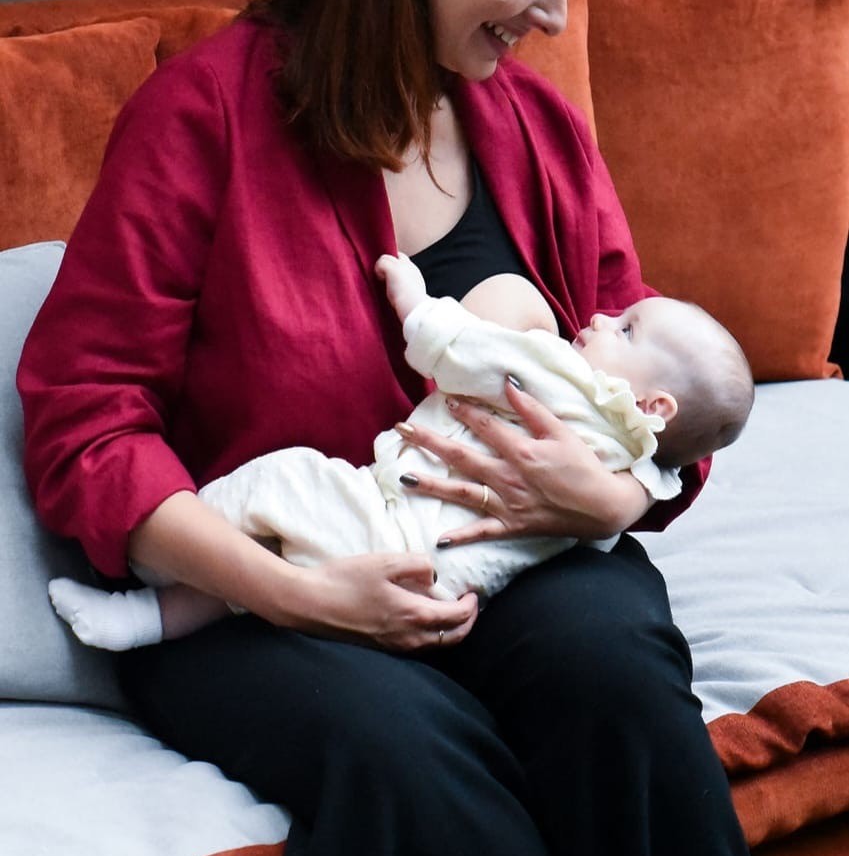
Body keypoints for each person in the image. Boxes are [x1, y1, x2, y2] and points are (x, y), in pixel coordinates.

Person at [18, 0, 753, 856]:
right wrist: (294, 592)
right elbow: (87, 415)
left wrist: (603, 496)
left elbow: (650, 370)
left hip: (519, 558)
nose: (554, 20)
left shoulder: (538, 129)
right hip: (260, 583)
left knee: (622, 695)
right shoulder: (202, 115)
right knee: (414, 767)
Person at [47, 253, 754, 651]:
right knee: (286, 560)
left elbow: (462, 351)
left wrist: (414, 297)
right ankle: (158, 605)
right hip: (450, 585)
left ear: (654, 407)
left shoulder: (563, 377)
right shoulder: (638, 455)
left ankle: (152, 578)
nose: (600, 315)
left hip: (391, 518)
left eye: (623, 328)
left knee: (282, 485)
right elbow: (672, 455)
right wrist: (618, 496)